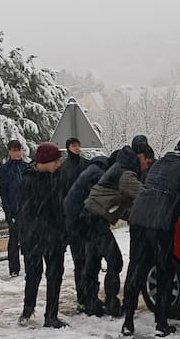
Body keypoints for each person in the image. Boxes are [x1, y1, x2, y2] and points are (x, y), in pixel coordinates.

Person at [124, 138, 180, 337]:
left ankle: (128, 322)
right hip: (160, 221)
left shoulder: (159, 163)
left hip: (138, 217)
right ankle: (161, 323)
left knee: (136, 268)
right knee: (164, 271)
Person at [85, 146, 144, 328]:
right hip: (96, 219)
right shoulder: (126, 174)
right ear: (140, 158)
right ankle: (111, 302)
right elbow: (145, 194)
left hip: (87, 216)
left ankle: (91, 302)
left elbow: (117, 203)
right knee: (115, 260)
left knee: (93, 261)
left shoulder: (118, 168)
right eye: (145, 161)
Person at [18, 143, 69, 328]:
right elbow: (25, 213)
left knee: (55, 276)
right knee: (33, 274)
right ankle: (27, 308)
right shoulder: (29, 181)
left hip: (55, 237)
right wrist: (28, 237)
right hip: (35, 237)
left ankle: (51, 315)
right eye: (56, 160)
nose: (59, 163)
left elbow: (61, 208)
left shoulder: (58, 178)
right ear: (46, 161)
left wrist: (63, 232)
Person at [64, 155, 112, 315]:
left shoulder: (91, 170)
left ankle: (87, 300)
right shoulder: (98, 174)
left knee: (85, 263)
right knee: (84, 264)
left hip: (76, 223)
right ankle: (86, 301)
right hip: (79, 224)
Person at [58, 137, 90, 302]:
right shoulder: (64, 169)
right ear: (68, 148)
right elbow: (62, 194)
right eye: (73, 146)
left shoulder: (86, 165)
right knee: (79, 260)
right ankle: (82, 296)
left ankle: (90, 293)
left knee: (90, 259)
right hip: (73, 221)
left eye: (78, 145)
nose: (77, 148)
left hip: (88, 218)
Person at [0, 140, 31, 277]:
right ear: (10, 152)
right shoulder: (5, 169)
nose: (17, 153)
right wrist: (8, 211)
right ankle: (14, 268)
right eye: (14, 150)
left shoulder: (27, 167)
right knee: (14, 239)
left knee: (28, 239)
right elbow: (3, 192)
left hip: (27, 208)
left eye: (19, 150)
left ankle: (30, 264)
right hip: (13, 208)